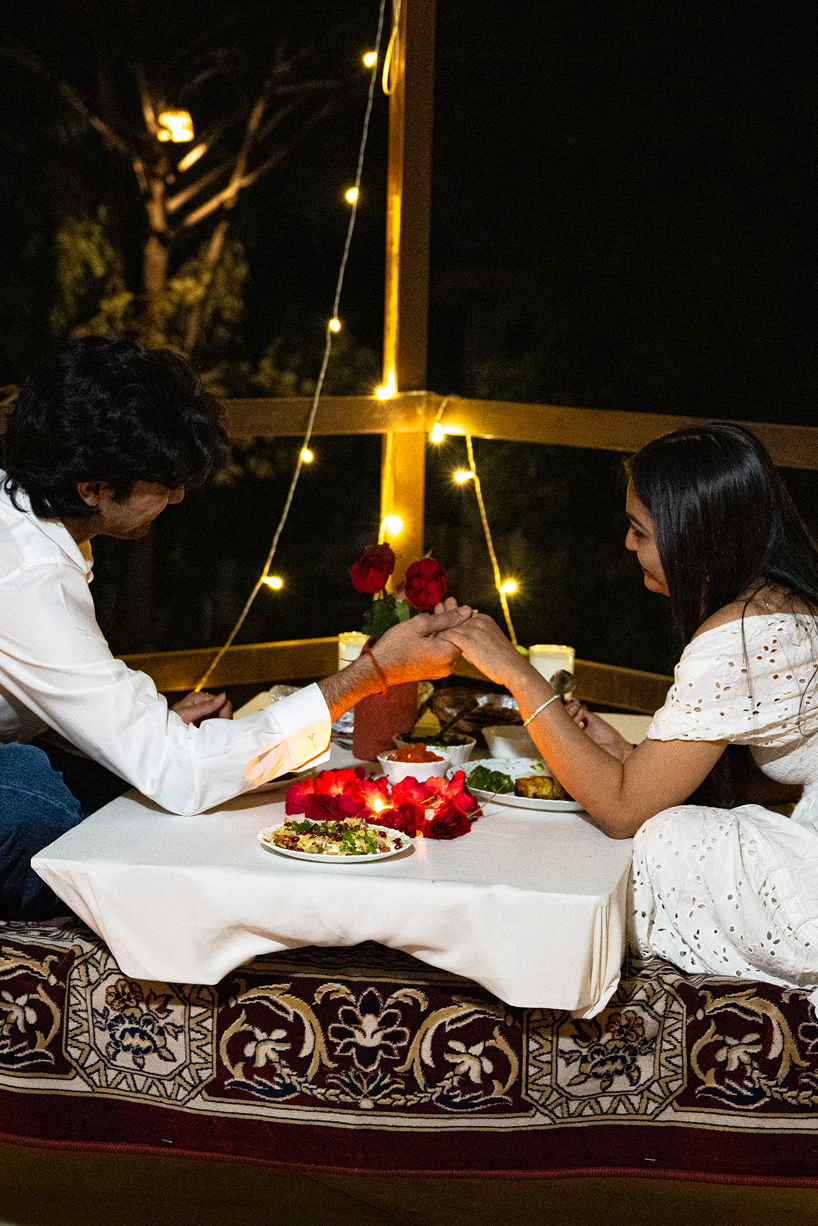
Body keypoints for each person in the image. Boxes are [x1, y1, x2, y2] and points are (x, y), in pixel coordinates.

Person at [0, 336, 471, 918]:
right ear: (91, 487)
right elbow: (182, 774)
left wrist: (141, 729)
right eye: (163, 483)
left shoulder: (34, 520)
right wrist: (371, 673)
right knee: (57, 818)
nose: (177, 496)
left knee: (120, 789)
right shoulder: (27, 578)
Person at [442, 422, 818, 1001]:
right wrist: (627, 756)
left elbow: (622, 811)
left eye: (639, 530)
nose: (626, 543)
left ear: (693, 536)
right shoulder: (781, 600)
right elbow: (757, 775)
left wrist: (518, 674)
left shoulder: (743, 634)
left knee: (659, 840)